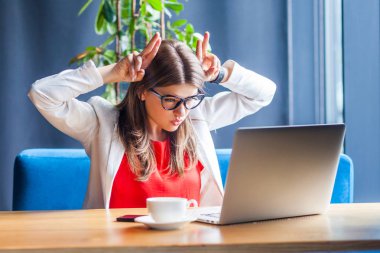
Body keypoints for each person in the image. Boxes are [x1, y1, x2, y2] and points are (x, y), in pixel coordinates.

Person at [28, 32, 276, 209]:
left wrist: (221, 74)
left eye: (191, 99)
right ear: (142, 91)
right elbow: (43, 94)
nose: (182, 112)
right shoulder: (101, 125)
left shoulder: (197, 118)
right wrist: (113, 72)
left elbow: (264, 93)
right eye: (171, 100)